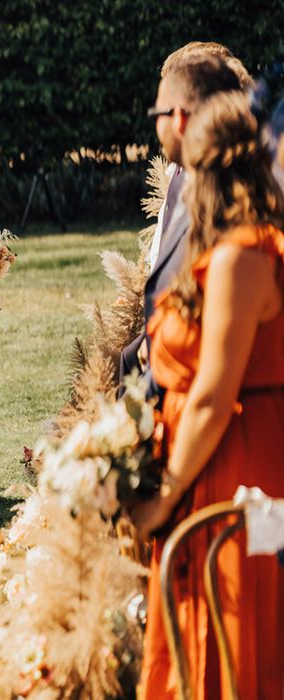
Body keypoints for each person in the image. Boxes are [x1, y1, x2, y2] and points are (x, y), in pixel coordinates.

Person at [132, 90, 284, 698]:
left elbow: (213, 395)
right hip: (213, 453)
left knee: (231, 639)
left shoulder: (243, 254)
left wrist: (163, 498)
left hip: (232, 459)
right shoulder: (229, 247)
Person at [119, 44, 250, 398]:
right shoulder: (199, 186)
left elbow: (212, 384)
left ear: (178, 117)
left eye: (157, 111)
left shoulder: (237, 217)